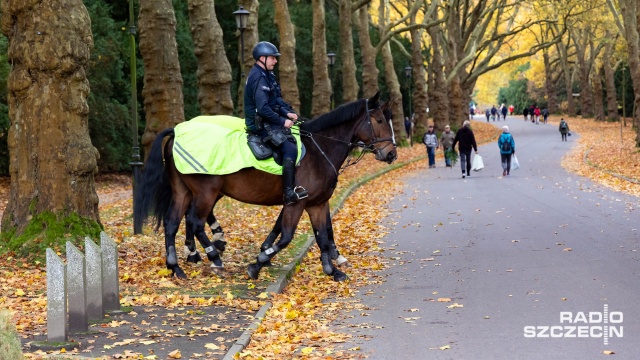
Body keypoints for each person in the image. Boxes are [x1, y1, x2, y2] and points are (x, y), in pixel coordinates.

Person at [244, 41, 308, 205]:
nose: (275, 61)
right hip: (260, 125)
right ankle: (288, 193)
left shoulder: (267, 75)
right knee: (290, 149)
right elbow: (263, 108)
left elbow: (275, 101)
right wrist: (283, 121)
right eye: (273, 58)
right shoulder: (258, 77)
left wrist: (288, 112)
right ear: (262, 58)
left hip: (268, 120)